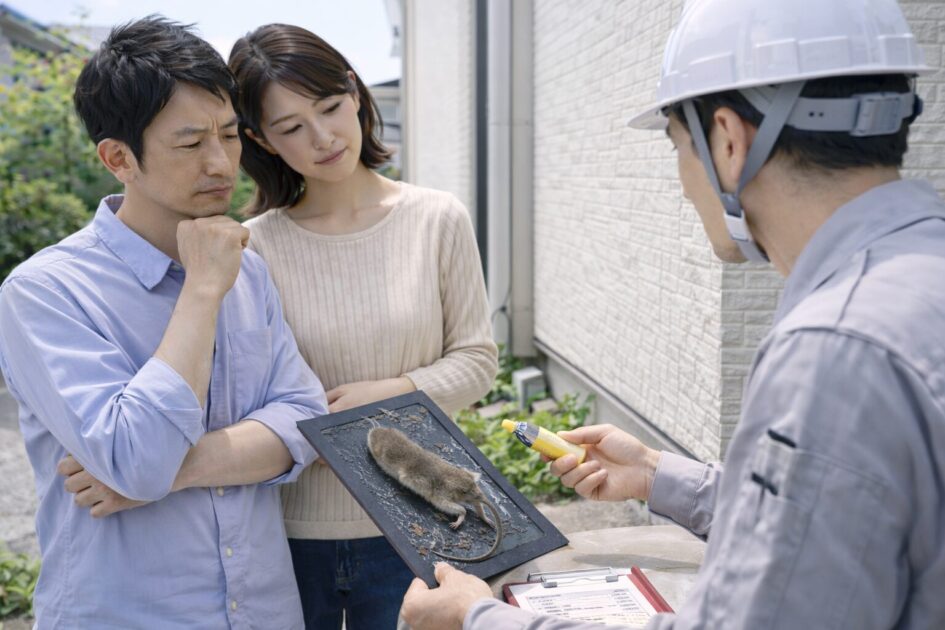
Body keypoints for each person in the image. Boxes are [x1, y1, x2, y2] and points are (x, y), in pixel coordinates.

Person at [401, 0, 945, 628]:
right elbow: (836, 521)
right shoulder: (910, 280)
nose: (685, 182)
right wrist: (657, 473)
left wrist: (479, 618)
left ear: (729, 141)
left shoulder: (834, 349)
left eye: (680, 146)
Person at [0, 17, 329, 629]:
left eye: (229, 136)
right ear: (118, 157)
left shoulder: (247, 272)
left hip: (263, 611)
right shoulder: (44, 293)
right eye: (189, 144)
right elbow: (137, 457)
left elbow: (306, 423)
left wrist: (176, 471)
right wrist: (201, 292)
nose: (222, 163)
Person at [227, 24, 498, 630]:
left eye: (329, 107)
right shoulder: (254, 248)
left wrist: (390, 393)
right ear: (260, 140)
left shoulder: (436, 218)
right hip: (287, 532)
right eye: (291, 127)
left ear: (354, 92)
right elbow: (242, 395)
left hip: (418, 523)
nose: (322, 137)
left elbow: (477, 361)